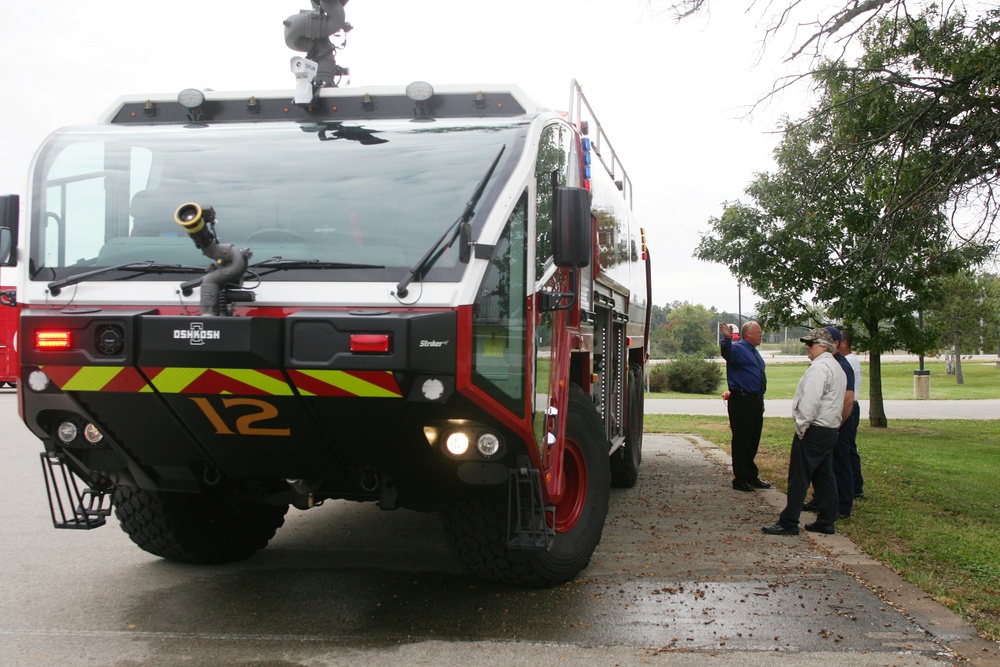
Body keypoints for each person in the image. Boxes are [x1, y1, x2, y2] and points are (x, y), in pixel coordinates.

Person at [763, 327, 846, 536]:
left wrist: (802, 426)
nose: (807, 348)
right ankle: (827, 520)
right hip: (829, 429)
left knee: (799, 477)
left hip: (814, 430)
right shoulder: (836, 367)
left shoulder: (820, 368)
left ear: (823, 346)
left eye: (810, 344)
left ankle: (789, 521)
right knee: (824, 477)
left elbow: (811, 401)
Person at [803, 326, 856, 518]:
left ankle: (842, 506)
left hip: (840, 419)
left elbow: (848, 399)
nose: (809, 347)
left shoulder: (841, 364)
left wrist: (836, 424)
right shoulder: (827, 363)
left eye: (813, 343)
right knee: (824, 465)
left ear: (832, 344)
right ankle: (820, 500)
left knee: (841, 462)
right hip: (831, 420)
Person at [719, 321, 771, 492]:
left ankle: (751, 475)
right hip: (742, 400)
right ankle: (740, 478)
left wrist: (760, 402)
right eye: (758, 332)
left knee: (753, 440)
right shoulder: (739, 349)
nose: (761, 335)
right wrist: (726, 338)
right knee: (742, 441)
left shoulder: (754, 352)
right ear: (748, 334)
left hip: (755, 400)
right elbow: (727, 353)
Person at [841, 330, 864, 499]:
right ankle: (854, 485)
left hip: (849, 407)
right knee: (848, 449)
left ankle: (855, 486)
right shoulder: (849, 360)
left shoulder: (848, 361)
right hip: (851, 406)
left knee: (847, 449)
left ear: (844, 343)